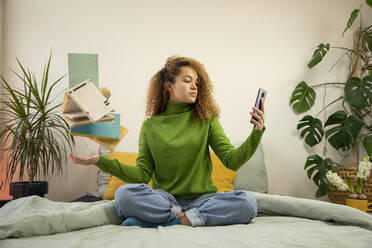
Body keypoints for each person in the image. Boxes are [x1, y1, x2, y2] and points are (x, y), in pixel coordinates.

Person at [70, 55, 266, 228]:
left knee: (247, 202)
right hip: (165, 200)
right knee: (123, 196)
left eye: (196, 83)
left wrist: (256, 132)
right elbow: (142, 174)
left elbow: (232, 161)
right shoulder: (151, 126)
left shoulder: (207, 120)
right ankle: (187, 218)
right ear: (169, 86)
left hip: (204, 200)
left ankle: (175, 220)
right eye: (187, 80)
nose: (194, 87)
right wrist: (100, 161)